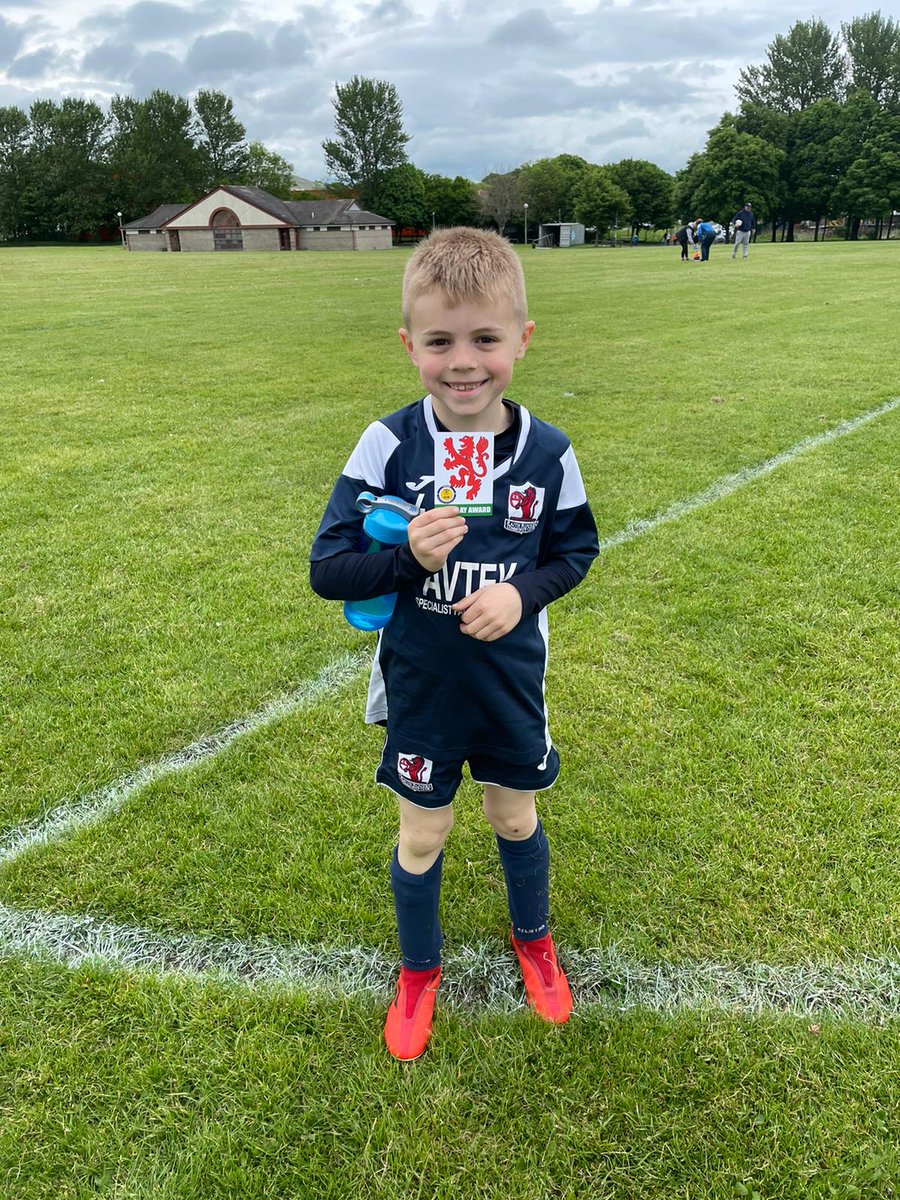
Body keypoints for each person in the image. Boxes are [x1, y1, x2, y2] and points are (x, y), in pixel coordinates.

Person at [309, 227, 599, 1060]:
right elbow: (329, 570)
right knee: (423, 834)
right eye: (440, 341)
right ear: (410, 345)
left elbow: (576, 551)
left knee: (513, 818)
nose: (463, 362)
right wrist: (407, 559)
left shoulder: (547, 452)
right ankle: (418, 970)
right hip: (422, 684)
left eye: (485, 339)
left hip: (509, 682)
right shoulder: (388, 445)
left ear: (522, 341)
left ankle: (535, 942)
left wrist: (519, 591)